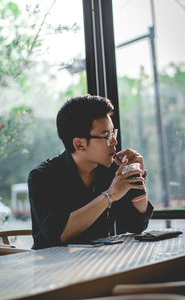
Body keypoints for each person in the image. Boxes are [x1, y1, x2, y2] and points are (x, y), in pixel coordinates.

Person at [28, 95, 153, 249]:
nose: (114, 141)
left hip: (98, 263)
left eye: (113, 133)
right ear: (79, 144)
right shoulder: (43, 177)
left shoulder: (110, 171)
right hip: (51, 267)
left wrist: (137, 177)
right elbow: (57, 234)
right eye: (106, 135)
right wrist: (109, 196)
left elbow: (135, 225)